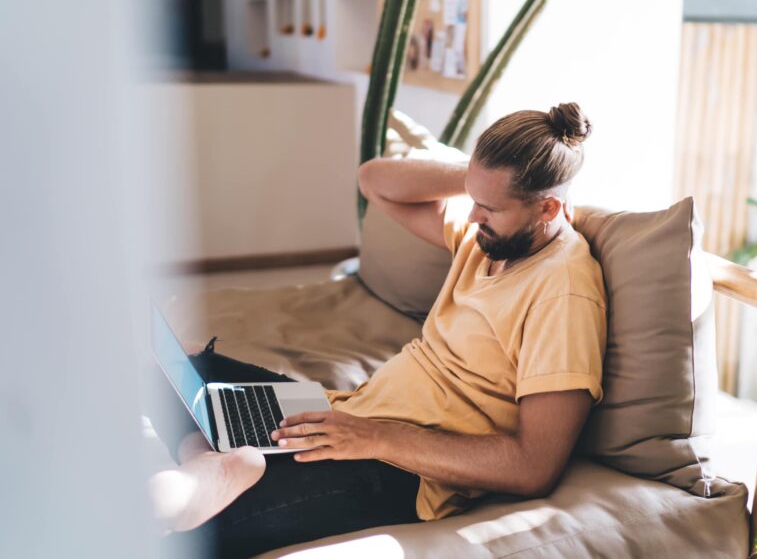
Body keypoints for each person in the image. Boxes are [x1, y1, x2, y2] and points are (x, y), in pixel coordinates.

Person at [149, 102, 607, 557]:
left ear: (547, 207)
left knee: (187, 533)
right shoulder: (490, 239)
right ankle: (210, 462)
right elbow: (374, 181)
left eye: (488, 208)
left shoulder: (562, 292)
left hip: (400, 471)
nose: (471, 217)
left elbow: (534, 466)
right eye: (474, 200)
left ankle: (208, 466)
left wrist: (374, 438)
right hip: (347, 412)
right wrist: (472, 176)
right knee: (169, 373)